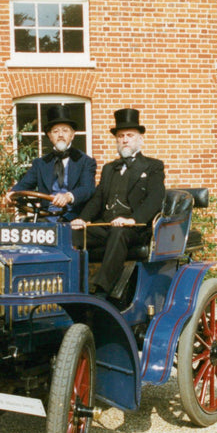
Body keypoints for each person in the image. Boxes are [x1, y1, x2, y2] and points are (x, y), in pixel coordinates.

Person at [71, 108, 165, 298]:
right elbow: (97, 199)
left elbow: (155, 198)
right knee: (71, 235)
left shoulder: (153, 166)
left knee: (119, 232)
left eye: (130, 135)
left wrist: (132, 220)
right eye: (121, 136)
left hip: (135, 228)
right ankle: (71, 286)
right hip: (107, 225)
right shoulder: (109, 168)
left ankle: (102, 291)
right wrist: (82, 219)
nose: (125, 140)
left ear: (140, 139)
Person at [4, 105, 96, 221]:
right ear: (50, 136)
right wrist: (12, 193)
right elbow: (24, 184)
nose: (60, 135)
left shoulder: (85, 161)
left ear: (72, 135)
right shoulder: (40, 163)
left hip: (74, 218)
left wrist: (68, 197)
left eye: (65, 130)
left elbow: (87, 189)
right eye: (56, 131)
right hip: (46, 217)